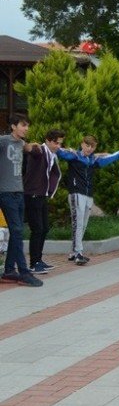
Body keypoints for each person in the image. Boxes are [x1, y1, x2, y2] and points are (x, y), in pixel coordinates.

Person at [57, 136, 119, 265]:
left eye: (92, 146)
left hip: (88, 195)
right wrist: (60, 147)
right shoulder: (74, 156)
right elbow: (58, 151)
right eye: (87, 145)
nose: (89, 148)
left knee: (82, 224)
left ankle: (74, 252)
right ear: (82, 144)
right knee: (77, 223)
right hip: (76, 193)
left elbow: (108, 159)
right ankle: (78, 253)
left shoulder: (93, 160)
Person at [0, 114, 43, 287]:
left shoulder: (21, 143)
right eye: (23, 125)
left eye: (27, 126)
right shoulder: (3, 141)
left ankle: (9, 271)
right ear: (13, 126)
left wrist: (37, 147)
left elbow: (30, 148)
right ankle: (24, 272)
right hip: (6, 193)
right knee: (17, 231)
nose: (26, 128)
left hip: (19, 192)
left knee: (16, 231)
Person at [23, 129, 64, 274]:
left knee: (45, 228)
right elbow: (29, 149)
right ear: (48, 140)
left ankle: (39, 260)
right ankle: (34, 263)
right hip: (32, 194)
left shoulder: (52, 154)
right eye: (56, 143)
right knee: (37, 229)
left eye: (60, 143)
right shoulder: (39, 151)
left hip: (42, 195)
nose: (58, 146)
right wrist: (28, 144)